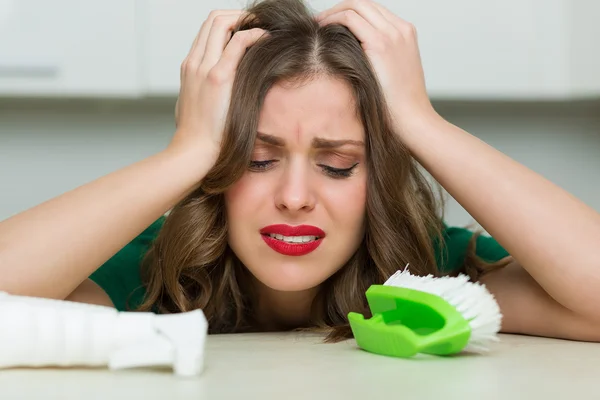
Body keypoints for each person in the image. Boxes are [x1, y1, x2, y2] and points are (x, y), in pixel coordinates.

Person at [1, 0, 599, 342]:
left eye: (338, 165)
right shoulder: (156, 274)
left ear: (380, 178)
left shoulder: (429, 274)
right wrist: (183, 153)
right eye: (256, 160)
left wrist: (422, 124)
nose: (293, 197)